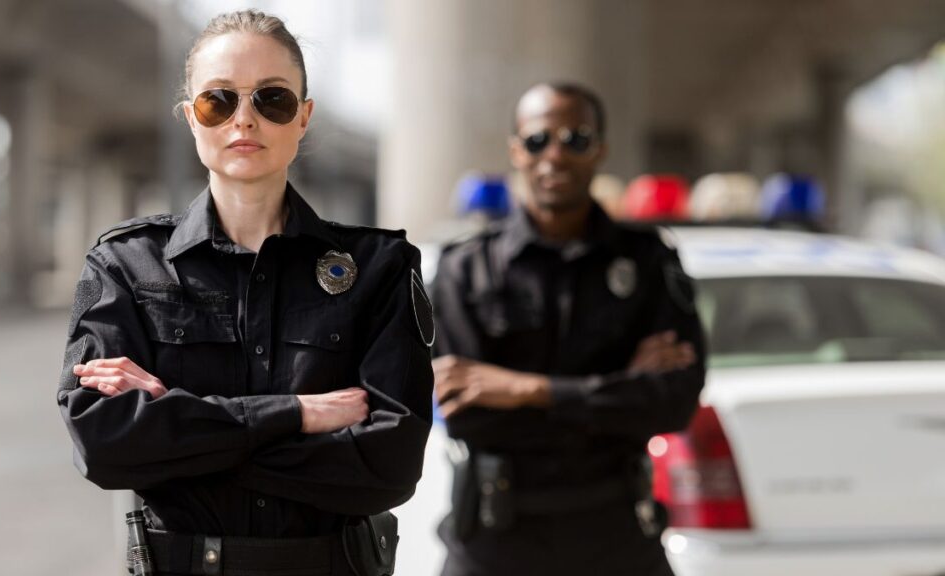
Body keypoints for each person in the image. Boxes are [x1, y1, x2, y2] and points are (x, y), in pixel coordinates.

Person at [56, 11, 434, 576]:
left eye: (272, 100)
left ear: (304, 117)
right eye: (219, 101)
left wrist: (178, 429)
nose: (245, 120)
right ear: (190, 117)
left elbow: (391, 464)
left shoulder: (378, 268)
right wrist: (298, 414)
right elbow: (105, 445)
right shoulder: (124, 265)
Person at [432, 82, 706, 576]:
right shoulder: (465, 268)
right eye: (539, 140)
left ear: (600, 149)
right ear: (517, 150)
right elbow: (466, 414)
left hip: (617, 533)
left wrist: (524, 388)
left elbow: (673, 401)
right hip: (496, 537)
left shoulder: (647, 261)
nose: (555, 155)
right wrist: (618, 390)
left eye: (575, 139)